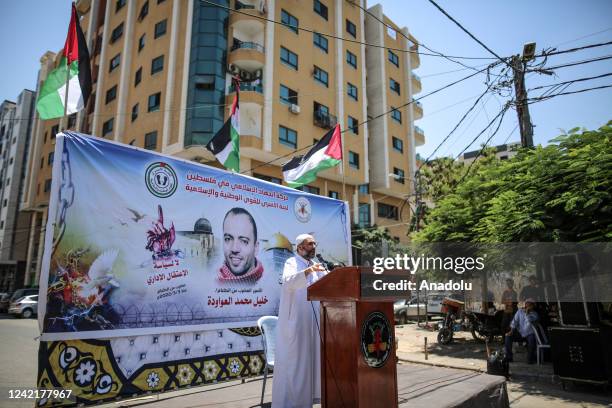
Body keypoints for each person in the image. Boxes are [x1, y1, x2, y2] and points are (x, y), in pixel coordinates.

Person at [272, 234, 328, 408]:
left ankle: (309, 400)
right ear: (300, 247)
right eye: (310, 244)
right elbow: (288, 282)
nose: (313, 246)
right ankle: (293, 403)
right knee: (297, 365)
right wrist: (307, 272)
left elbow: (328, 281)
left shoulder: (315, 265)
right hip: (296, 323)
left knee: (311, 362)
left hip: (313, 323)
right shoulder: (291, 263)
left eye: (314, 243)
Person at [218, 207, 263, 283]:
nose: (234, 249)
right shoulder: (208, 285)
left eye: (243, 241)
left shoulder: (271, 286)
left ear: (256, 247)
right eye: (228, 239)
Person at [504, 298, 539, 364]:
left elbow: (530, 320)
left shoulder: (535, 314)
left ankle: (530, 359)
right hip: (520, 333)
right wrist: (511, 331)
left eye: (530, 304)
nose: (528, 305)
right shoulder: (520, 311)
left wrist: (527, 313)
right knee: (508, 337)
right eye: (527, 303)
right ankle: (509, 357)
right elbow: (514, 321)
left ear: (533, 306)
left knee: (532, 339)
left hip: (529, 333)